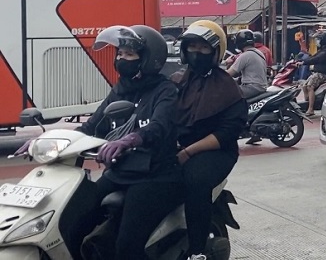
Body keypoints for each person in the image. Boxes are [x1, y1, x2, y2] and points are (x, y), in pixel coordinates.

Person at [13, 25, 182, 260]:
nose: (121, 59)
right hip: (120, 172)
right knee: (74, 221)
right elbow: (92, 126)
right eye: (120, 54)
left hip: (153, 176)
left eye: (129, 55)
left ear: (148, 60)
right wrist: (45, 139)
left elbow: (159, 126)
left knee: (127, 246)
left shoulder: (165, 90)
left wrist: (131, 139)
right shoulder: (121, 90)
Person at [175, 20, 248, 260]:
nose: (197, 53)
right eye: (192, 47)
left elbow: (227, 133)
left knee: (195, 180)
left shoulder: (227, 87)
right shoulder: (177, 81)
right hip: (179, 146)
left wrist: (188, 152)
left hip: (215, 151)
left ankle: (197, 250)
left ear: (215, 52)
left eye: (203, 48)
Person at [298, 31, 326, 117]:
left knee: (310, 86)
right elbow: (313, 57)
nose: (317, 41)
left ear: (323, 40)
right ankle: (309, 103)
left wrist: (304, 63)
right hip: (316, 73)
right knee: (304, 86)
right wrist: (300, 59)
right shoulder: (322, 50)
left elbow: (316, 59)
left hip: (322, 74)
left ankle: (311, 109)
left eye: (318, 40)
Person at [226, 29, 269, 99]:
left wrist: (225, 64)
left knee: (226, 95)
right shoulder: (259, 53)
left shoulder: (245, 55)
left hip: (252, 88)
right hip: (261, 87)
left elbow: (229, 74)